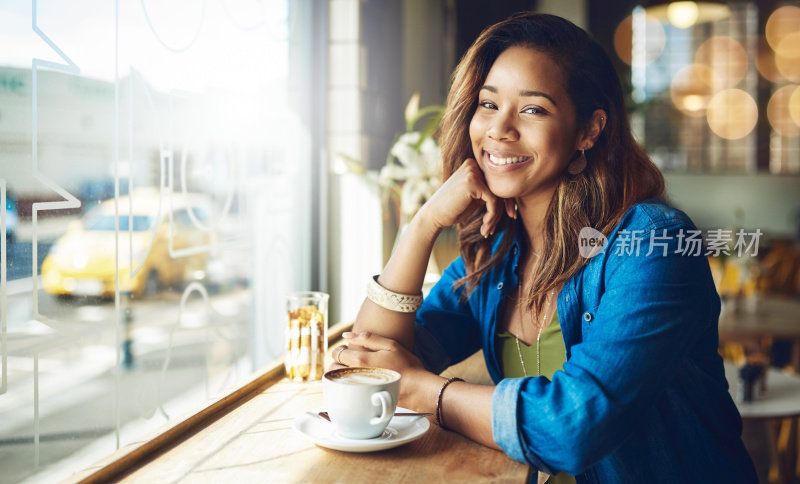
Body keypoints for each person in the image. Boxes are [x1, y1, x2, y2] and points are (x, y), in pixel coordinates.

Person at [332, 12, 757, 484]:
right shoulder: (495, 255)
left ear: (588, 131)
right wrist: (423, 223)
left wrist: (421, 389)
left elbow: (572, 427)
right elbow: (368, 361)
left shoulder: (653, 244)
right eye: (488, 104)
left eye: (533, 109)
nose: (499, 129)